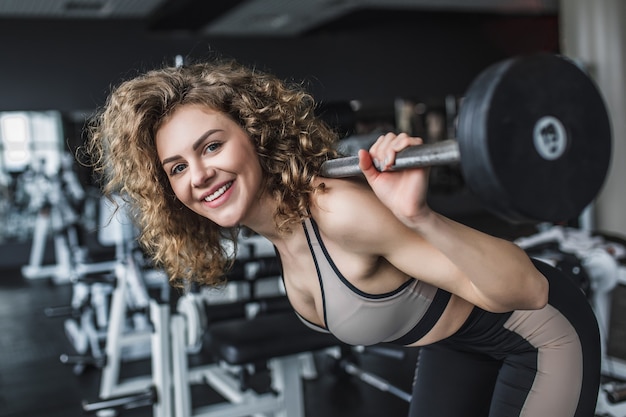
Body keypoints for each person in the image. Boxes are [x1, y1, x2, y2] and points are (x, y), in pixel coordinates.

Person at [84, 58, 600, 417]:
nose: (198, 175)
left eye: (212, 146)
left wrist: (421, 217)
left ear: (254, 136)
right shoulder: (278, 232)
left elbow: (529, 292)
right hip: (456, 345)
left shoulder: (335, 209)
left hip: (540, 333)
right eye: (177, 167)